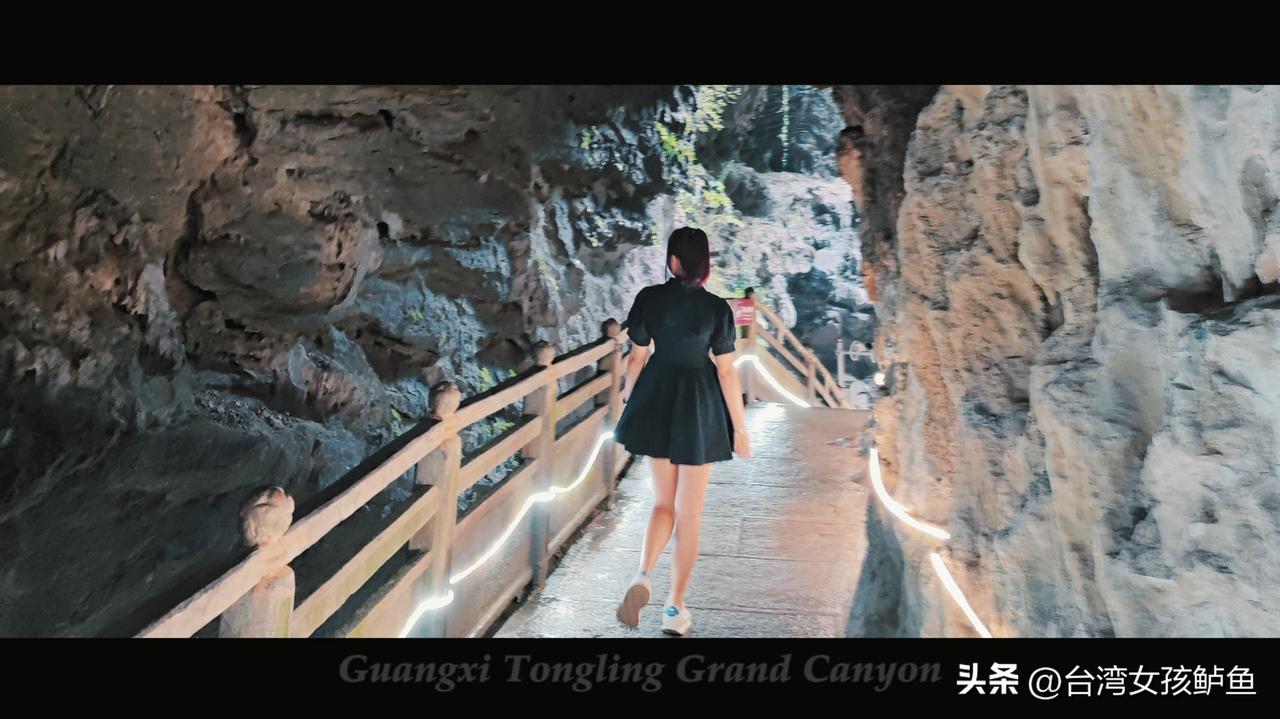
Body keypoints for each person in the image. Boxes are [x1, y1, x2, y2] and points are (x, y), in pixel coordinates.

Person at [611, 227, 751, 636]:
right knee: (690, 514)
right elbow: (726, 371)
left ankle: (642, 574)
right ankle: (674, 607)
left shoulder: (649, 298)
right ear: (705, 264)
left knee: (662, 503)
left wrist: (631, 400)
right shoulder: (717, 309)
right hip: (699, 405)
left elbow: (636, 359)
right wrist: (740, 428)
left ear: (673, 262)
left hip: (658, 398)